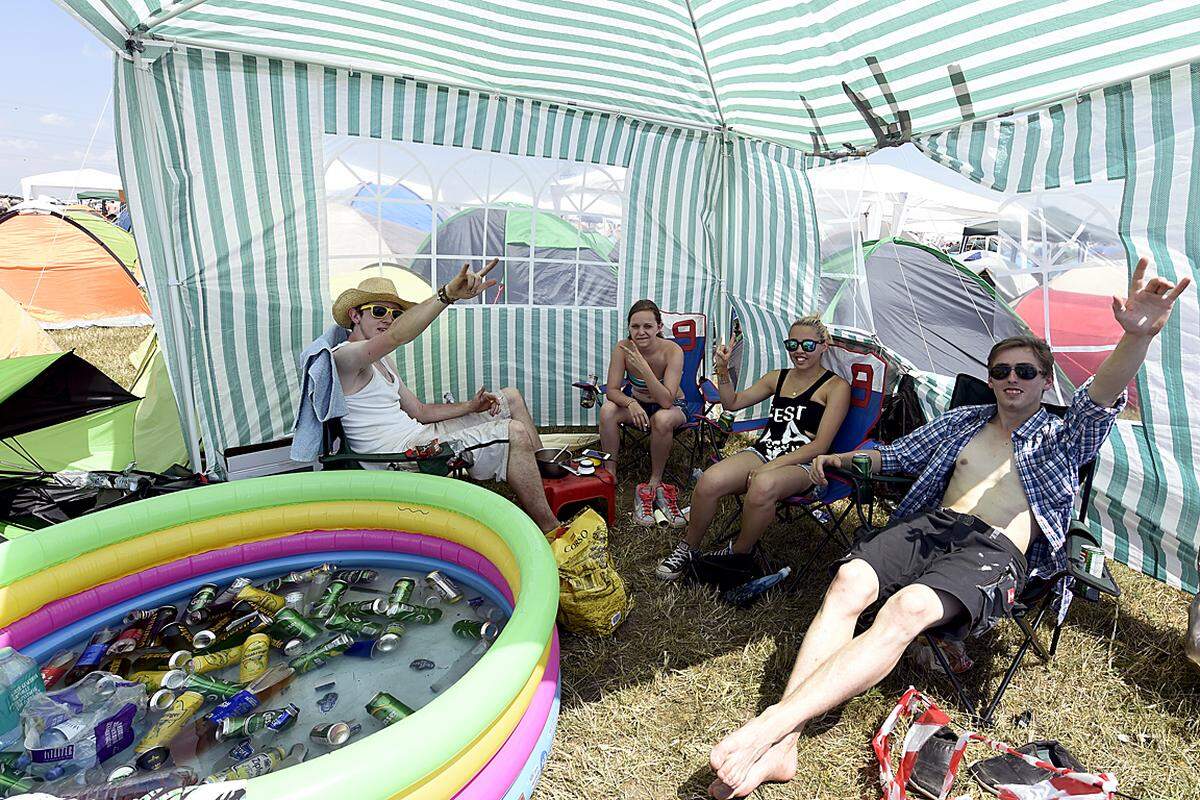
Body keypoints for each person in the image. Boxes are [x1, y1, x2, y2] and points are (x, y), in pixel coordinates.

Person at [706, 258, 1190, 799]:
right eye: (1002, 371)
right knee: (846, 585)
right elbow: (893, 458)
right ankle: (787, 744)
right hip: (932, 527)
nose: (1012, 379)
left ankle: (770, 727)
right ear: (990, 379)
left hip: (996, 548)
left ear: (1045, 381)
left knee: (906, 609)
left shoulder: (1061, 435)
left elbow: (1100, 398)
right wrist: (838, 462)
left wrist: (1137, 339)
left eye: (1025, 372)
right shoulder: (963, 422)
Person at [330, 261, 562, 534]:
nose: (388, 319)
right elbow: (395, 336)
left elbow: (420, 410)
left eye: (394, 313)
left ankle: (545, 480)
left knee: (510, 398)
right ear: (354, 315)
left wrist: (471, 407)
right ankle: (551, 529)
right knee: (514, 432)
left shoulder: (384, 363)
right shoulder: (345, 357)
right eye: (379, 311)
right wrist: (447, 295)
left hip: (418, 434)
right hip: (399, 458)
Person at [656, 315, 850, 580]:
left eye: (808, 345)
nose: (799, 352)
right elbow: (732, 403)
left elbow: (820, 445)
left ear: (823, 346)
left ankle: (738, 555)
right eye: (792, 345)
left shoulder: (836, 387)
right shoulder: (777, 378)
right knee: (709, 481)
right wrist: (723, 371)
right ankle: (688, 547)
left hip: (804, 465)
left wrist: (769, 468)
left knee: (764, 485)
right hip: (764, 452)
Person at [599, 299, 689, 526]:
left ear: (659, 327)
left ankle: (655, 479)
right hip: (638, 404)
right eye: (635, 327)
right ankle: (610, 471)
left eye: (647, 326)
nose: (641, 332)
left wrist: (642, 366)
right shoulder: (622, 348)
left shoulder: (672, 351)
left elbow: (667, 401)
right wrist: (629, 402)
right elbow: (611, 390)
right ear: (628, 328)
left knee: (662, 418)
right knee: (608, 410)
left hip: (671, 407)